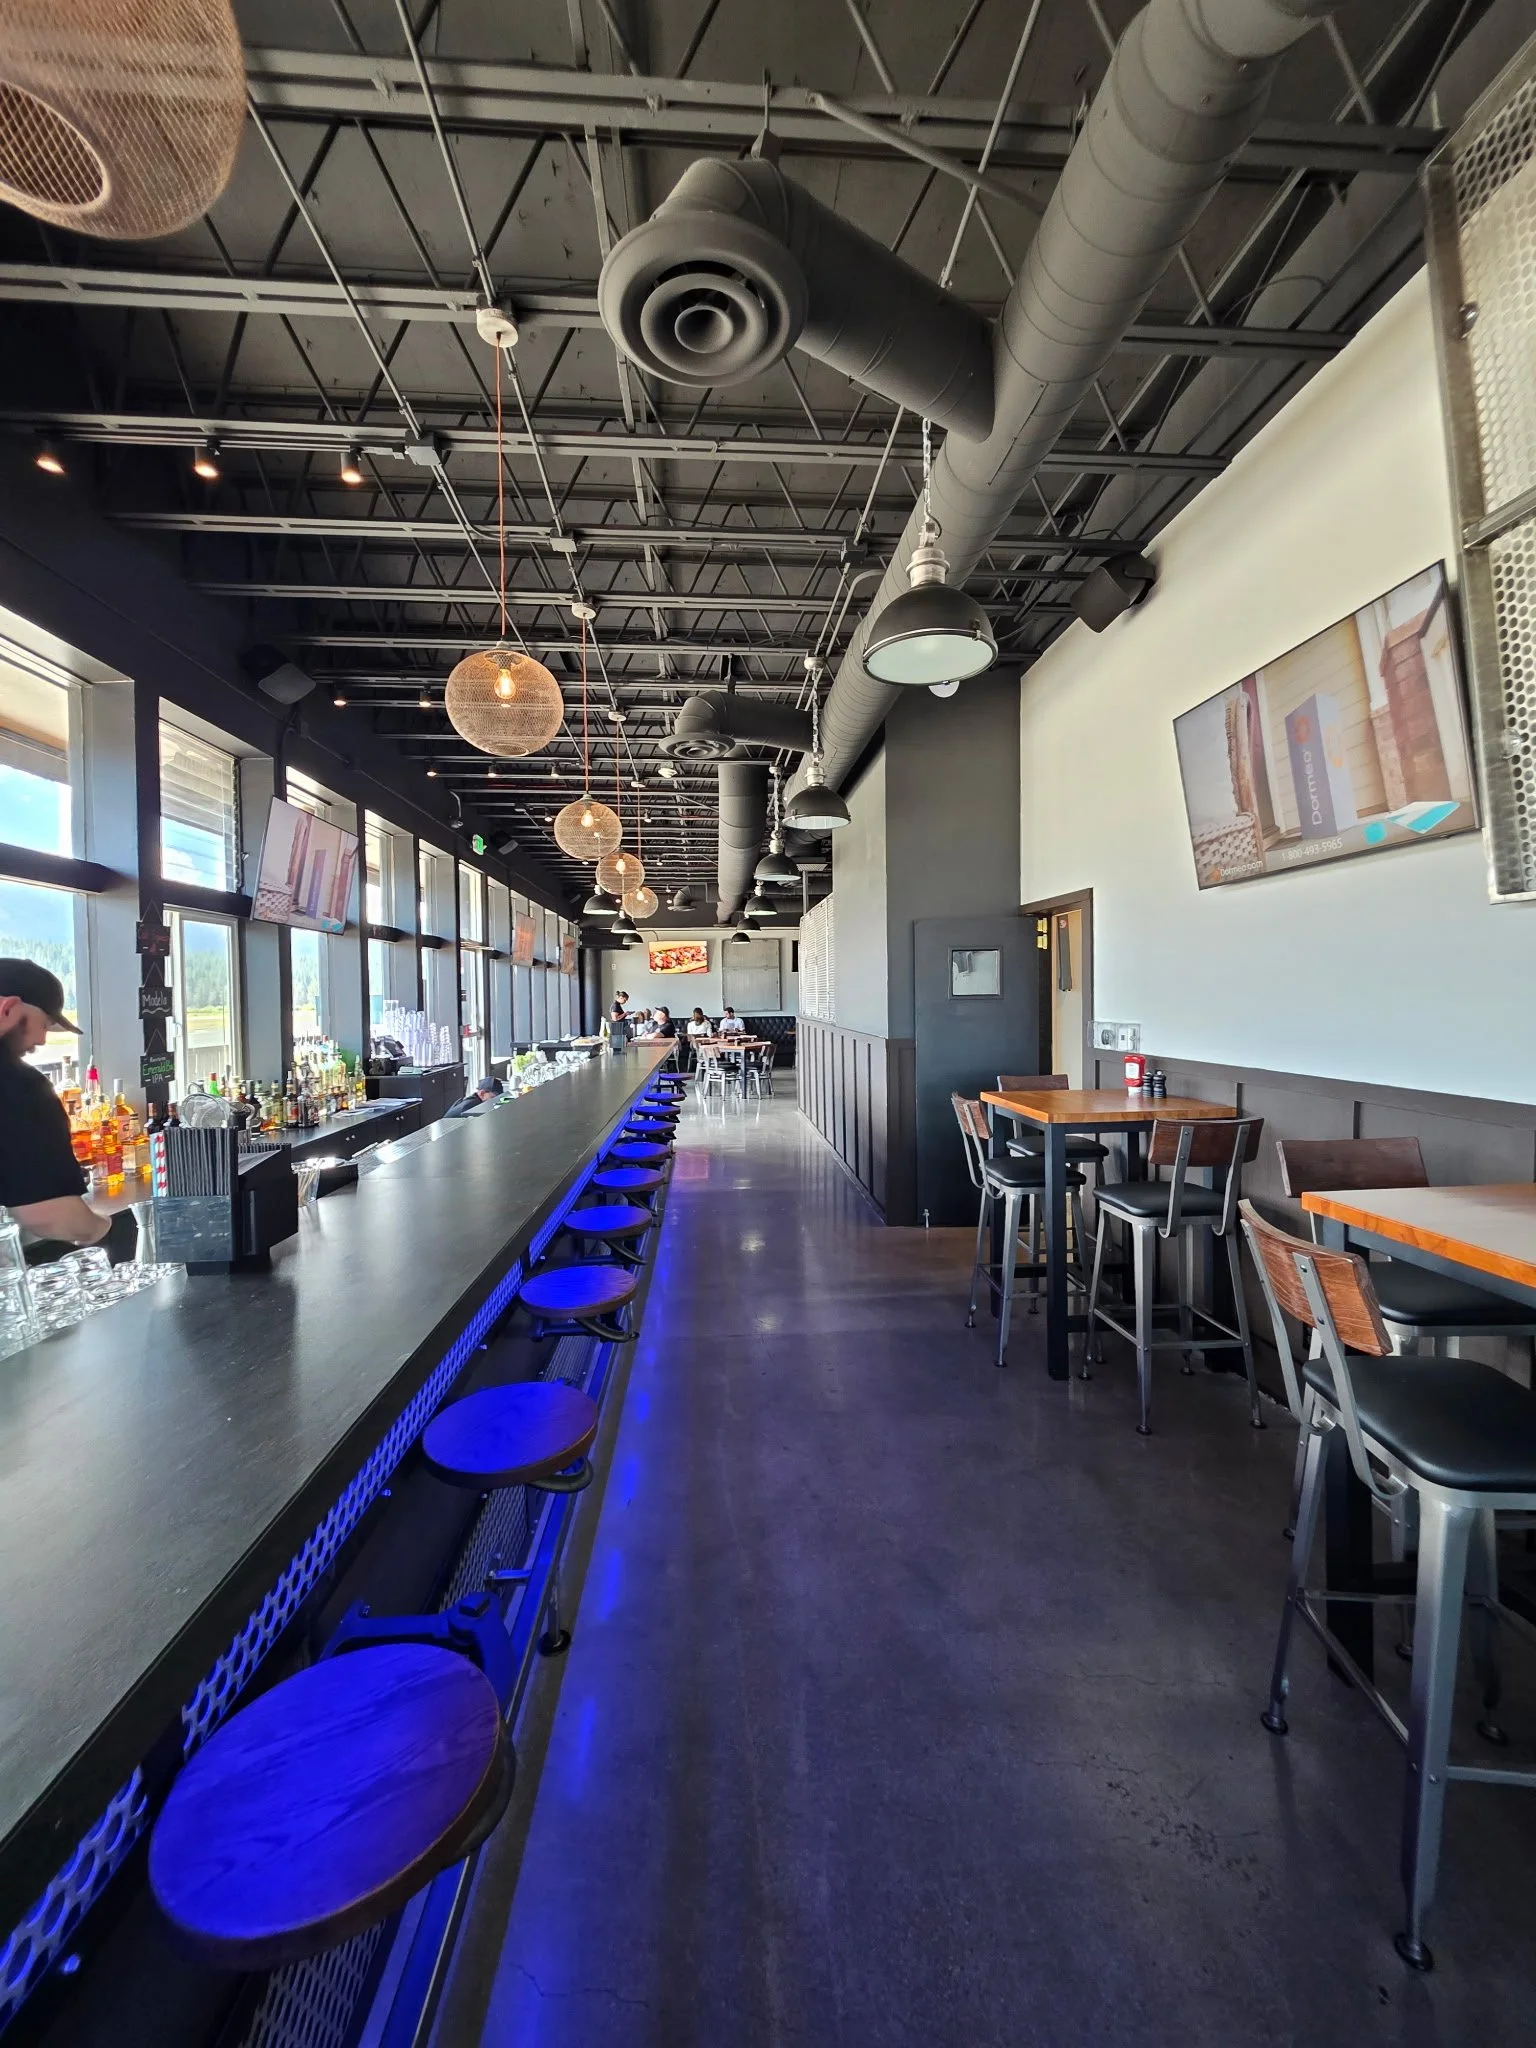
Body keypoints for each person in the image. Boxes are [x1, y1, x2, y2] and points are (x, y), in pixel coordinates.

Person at [0, 960, 137, 1262]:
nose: (41, 1040)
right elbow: (49, 1215)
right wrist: (105, 1229)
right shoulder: (16, 1085)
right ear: (8, 1009)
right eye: (45, 1025)